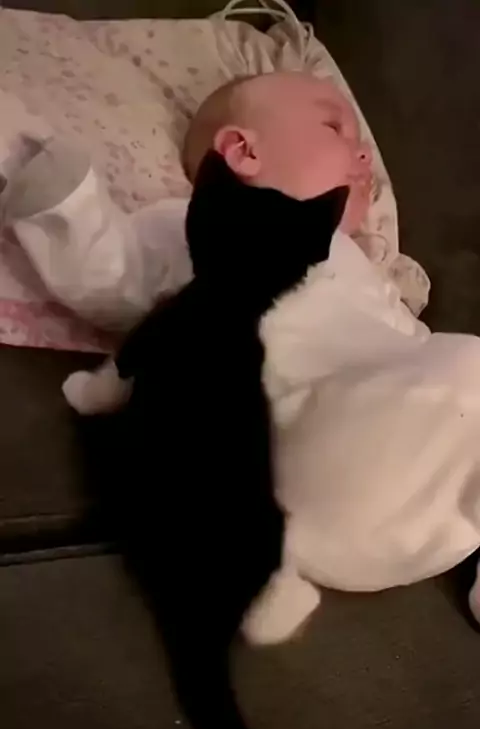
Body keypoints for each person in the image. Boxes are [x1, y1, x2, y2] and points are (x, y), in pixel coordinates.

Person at [63, 71, 480, 643]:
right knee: (468, 371)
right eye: (334, 127)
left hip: (399, 524)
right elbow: (110, 278)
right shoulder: (194, 222)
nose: (365, 153)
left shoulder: (368, 273)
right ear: (243, 151)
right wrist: (63, 202)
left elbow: (413, 363)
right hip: (301, 450)